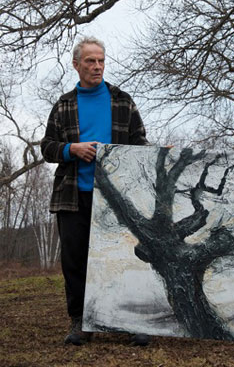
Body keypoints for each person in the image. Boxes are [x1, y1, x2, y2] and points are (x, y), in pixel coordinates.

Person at [40, 37, 151, 347]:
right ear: (76, 65)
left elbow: (139, 143)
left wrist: (159, 156)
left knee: (123, 258)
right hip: (73, 195)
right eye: (90, 61)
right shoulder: (64, 104)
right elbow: (47, 147)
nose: (97, 66)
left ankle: (130, 322)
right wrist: (70, 148)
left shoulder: (122, 101)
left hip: (116, 196)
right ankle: (82, 322)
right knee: (75, 261)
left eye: (101, 60)